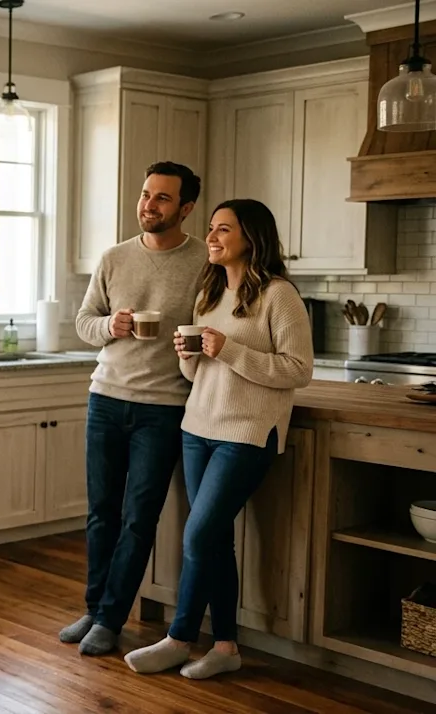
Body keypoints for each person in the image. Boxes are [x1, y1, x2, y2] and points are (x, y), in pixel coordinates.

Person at [124, 198, 313, 679]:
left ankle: (179, 637)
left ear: (252, 237)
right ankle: (226, 647)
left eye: (223, 229)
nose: (211, 236)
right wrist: (188, 354)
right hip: (198, 428)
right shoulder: (209, 292)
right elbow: (196, 374)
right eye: (211, 228)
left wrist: (228, 350)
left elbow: (298, 370)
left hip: (248, 433)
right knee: (216, 541)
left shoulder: (279, 295)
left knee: (199, 533)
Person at [65, 161, 209, 656]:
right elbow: (84, 322)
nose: (149, 205)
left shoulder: (203, 265)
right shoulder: (113, 258)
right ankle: (93, 607)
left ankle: (111, 618)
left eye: (163, 198)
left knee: (137, 517)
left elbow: (213, 330)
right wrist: (111, 327)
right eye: (146, 194)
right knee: (100, 513)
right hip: (105, 397)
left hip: (164, 407)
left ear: (186, 208)